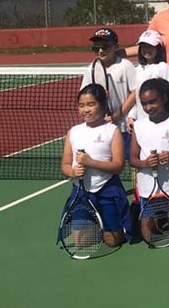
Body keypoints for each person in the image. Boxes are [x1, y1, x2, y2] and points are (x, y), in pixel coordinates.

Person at [60, 83, 132, 247]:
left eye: (91, 104)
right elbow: (65, 165)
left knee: (113, 241)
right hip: (81, 191)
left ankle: (115, 221)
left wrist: (91, 162)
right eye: (81, 105)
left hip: (107, 188)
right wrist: (72, 172)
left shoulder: (112, 131)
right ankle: (96, 222)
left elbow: (118, 166)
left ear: (103, 105)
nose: (85, 109)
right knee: (81, 243)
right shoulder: (73, 132)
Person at [130, 78, 169, 243]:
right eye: (144, 104)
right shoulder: (138, 126)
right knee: (148, 236)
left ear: (164, 99)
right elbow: (132, 159)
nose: (148, 107)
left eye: (152, 102)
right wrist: (145, 163)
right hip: (148, 188)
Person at [80, 28, 136, 159]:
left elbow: (134, 93)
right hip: (102, 127)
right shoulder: (91, 69)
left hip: (124, 126)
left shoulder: (125, 65)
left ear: (116, 47)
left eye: (105, 47)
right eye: (96, 48)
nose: (100, 51)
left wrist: (117, 115)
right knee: (107, 161)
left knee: (132, 161)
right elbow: (86, 97)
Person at [125, 30, 169, 134]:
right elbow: (136, 99)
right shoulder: (137, 70)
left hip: (161, 123)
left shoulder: (164, 68)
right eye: (143, 46)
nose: (146, 50)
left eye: (150, 46)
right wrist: (131, 116)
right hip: (142, 124)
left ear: (158, 48)